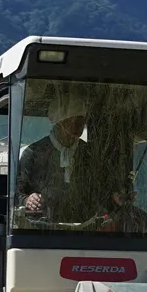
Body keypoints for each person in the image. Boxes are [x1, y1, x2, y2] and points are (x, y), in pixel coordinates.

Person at [16, 90, 103, 224]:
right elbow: (16, 193)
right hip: (42, 230)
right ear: (59, 122)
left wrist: (113, 199)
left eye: (82, 120)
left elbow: (99, 189)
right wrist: (28, 199)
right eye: (73, 120)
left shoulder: (89, 153)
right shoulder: (33, 152)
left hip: (86, 229)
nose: (79, 125)